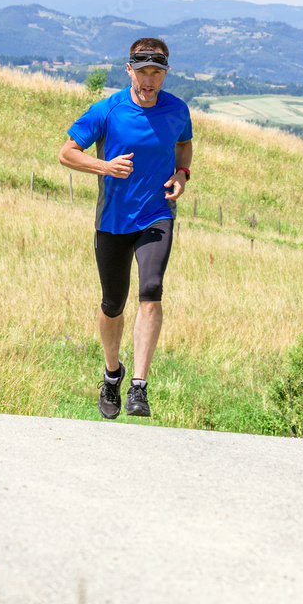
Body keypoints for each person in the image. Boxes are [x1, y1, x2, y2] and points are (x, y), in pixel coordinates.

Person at [59, 37, 193, 420]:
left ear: (166, 72)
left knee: (151, 290)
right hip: (113, 222)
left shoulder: (177, 110)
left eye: (157, 72)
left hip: (157, 215)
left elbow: (183, 147)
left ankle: (139, 387)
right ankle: (112, 374)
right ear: (129, 70)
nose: (149, 80)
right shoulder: (107, 110)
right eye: (143, 72)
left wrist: (182, 175)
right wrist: (105, 166)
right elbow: (67, 153)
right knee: (113, 303)